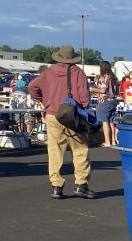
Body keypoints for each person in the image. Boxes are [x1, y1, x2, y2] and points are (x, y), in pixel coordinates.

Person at [28, 45, 94, 199]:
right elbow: (84, 99)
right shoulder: (78, 72)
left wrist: (44, 101)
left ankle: (56, 186)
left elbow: (32, 86)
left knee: (55, 150)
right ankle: (81, 184)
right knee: (80, 149)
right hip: (72, 114)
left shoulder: (48, 72)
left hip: (52, 114)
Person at [91, 61, 120, 147]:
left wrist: (92, 89)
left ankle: (107, 142)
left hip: (105, 101)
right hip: (113, 101)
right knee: (111, 121)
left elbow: (103, 90)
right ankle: (113, 141)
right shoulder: (114, 78)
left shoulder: (104, 77)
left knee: (105, 122)